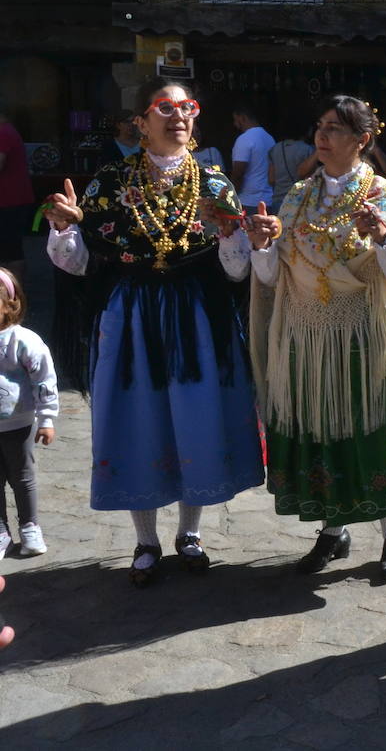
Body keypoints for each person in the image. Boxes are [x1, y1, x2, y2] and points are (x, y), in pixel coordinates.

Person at [44, 79, 263, 587]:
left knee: (194, 418)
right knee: (137, 419)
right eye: (165, 107)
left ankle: (190, 534)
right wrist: (65, 229)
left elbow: (234, 273)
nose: (178, 116)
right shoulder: (108, 182)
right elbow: (79, 265)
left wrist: (234, 236)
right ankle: (146, 539)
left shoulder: (214, 184)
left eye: (187, 107)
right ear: (141, 122)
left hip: (198, 320)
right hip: (132, 317)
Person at [246, 95, 386, 583]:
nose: (322, 138)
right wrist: (263, 245)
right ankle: (334, 529)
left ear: (362, 141)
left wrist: (384, 238)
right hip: (308, 338)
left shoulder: (385, 196)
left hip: (368, 336)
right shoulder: (297, 197)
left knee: (377, 427)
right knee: (322, 429)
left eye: (335, 129)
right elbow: (269, 279)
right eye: (320, 127)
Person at [0, 267, 56, 557]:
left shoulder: (24, 341)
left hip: (19, 423)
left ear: (10, 304)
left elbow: (44, 380)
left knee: (22, 477)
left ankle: (30, 526)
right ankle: (1, 531)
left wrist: (46, 419)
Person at [0, 111, 33, 283]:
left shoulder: (3, 133)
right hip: (11, 201)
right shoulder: (7, 131)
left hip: (9, 202)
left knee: (11, 252)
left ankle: (16, 299)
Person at [230, 104, 276, 211]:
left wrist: (231, 196)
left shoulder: (244, 139)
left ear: (242, 118)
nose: (235, 124)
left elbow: (238, 173)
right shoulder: (270, 138)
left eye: (236, 120)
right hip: (269, 200)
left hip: (248, 201)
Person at [266, 126, 315, 214]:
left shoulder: (275, 149)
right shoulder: (307, 149)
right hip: (299, 201)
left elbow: (271, 179)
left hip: (278, 201)